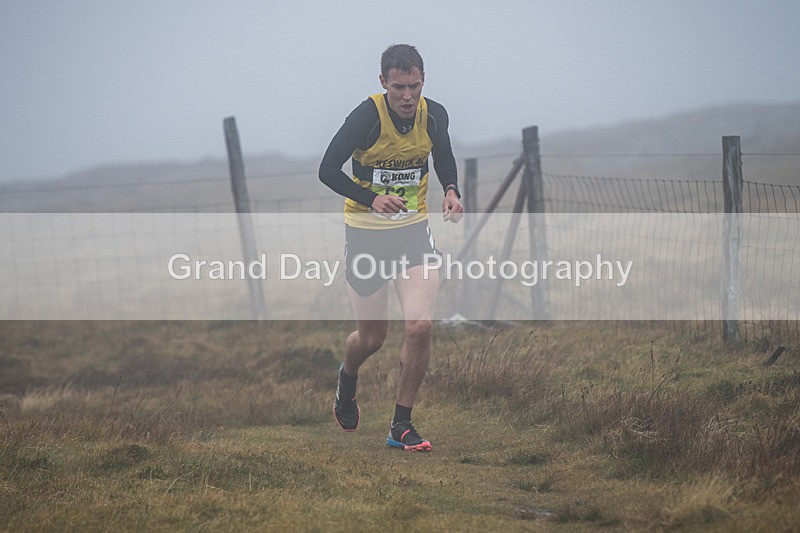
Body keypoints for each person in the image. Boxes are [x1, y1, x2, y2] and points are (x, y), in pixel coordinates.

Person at [319, 44, 463, 451]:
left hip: (413, 231)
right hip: (365, 233)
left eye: (414, 86)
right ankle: (347, 379)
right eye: (398, 87)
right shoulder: (365, 117)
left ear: (423, 81)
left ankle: (401, 425)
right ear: (383, 83)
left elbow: (444, 157)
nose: (407, 96)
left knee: (420, 326)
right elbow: (327, 169)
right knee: (371, 339)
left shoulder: (434, 114)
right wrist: (371, 198)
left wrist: (451, 190)